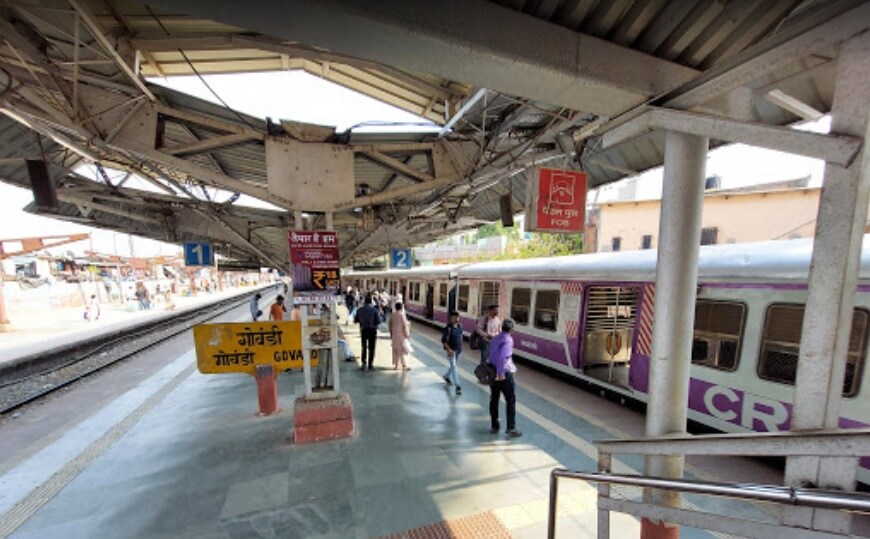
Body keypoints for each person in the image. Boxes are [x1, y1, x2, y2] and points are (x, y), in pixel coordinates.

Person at [488, 319, 522, 437]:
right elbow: (503, 357)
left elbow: (492, 355)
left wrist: (496, 372)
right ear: (512, 329)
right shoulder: (508, 340)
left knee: (494, 399)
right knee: (510, 400)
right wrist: (501, 373)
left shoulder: (496, 338)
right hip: (504, 373)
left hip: (492, 372)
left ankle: (494, 425)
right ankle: (511, 428)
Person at [355, 296, 383, 370]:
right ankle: (370, 364)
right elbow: (379, 321)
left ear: (364, 302)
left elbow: (356, 320)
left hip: (363, 330)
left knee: (364, 347)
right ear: (371, 302)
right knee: (372, 348)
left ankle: (364, 364)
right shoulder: (375, 310)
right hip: (372, 330)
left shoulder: (360, 310)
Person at [441, 311, 463, 396]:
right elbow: (444, 341)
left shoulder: (460, 326)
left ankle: (446, 376)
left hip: (459, 350)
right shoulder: (448, 328)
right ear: (451, 319)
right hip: (451, 351)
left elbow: (460, 336)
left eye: (457, 317)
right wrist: (449, 350)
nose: (456, 319)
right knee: (454, 367)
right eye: (454, 318)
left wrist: (461, 347)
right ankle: (458, 386)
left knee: (453, 367)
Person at [389, 302, 411, 370]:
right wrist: (407, 335)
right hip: (401, 336)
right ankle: (404, 365)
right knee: (402, 351)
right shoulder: (402, 315)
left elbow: (390, 325)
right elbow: (405, 326)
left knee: (395, 350)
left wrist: (391, 333)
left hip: (394, 335)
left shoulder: (392, 315)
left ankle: (396, 365)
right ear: (401, 308)